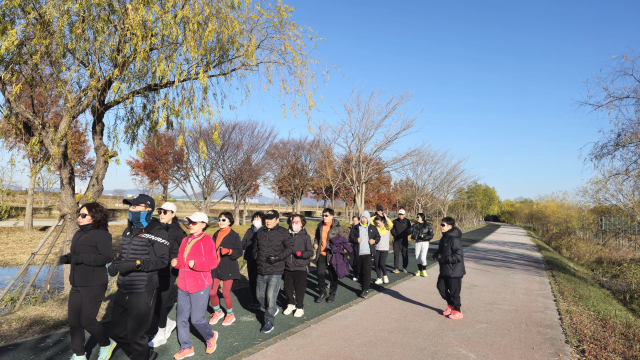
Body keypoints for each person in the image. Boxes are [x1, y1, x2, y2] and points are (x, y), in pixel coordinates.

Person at [108, 194, 169, 360]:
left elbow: (162, 261)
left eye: (135, 206)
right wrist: (115, 265)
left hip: (143, 289)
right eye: (130, 206)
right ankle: (146, 356)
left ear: (148, 209)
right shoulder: (128, 230)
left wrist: (135, 264)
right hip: (123, 287)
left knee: (136, 335)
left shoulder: (157, 232)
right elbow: (125, 255)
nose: (131, 208)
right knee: (116, 332)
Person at [60, 202, 115, 360]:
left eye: (84, 215)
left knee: (87, 320)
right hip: (77, 283)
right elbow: (77, 256)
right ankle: (79, 354)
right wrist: (68, 258)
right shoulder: (78, 233)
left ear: (95, 216)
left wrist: (80, 258)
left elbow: (107, 257)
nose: (79, 217)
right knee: (73, 321)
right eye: (79, 214)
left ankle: (106, 344)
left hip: (94, 284)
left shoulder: (102, 234)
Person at [171, 212, 219, 359]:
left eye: (194, 222)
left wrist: (197, 264)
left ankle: (210, 336)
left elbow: (213, 263)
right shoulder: (185, 240)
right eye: (190, 222)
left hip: (200, 285)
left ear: (203, 224)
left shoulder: (207, 240)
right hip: (183, 285)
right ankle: (186, 347)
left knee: (197, 319)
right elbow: (182, 260)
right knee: (181, 319)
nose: (191, 225)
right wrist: (177, 263)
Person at [148, 202, 185, 348]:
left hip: (169, 270)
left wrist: (178, 261)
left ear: (173, 214)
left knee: (160, 300)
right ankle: (168, 323)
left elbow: (186, 249)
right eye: (160, 212)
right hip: (154, 268)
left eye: (165, 212)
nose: (162, 214)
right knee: (152, 300)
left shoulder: (178, 231)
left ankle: (162, 333)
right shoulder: (156, 227)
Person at [252, 210, 293, 333]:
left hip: (276, 269)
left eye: (271, 218)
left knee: (271, 296)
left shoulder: (283, 233)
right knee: (259, 296)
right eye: (267, 218)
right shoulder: (260, 232)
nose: (268, 221)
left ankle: (269, 321)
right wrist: (254, 253)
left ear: (277, 220)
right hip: (261, 269)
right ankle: (272, 308)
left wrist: (279, 257)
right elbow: (256, 246)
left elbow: (290, 248)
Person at [209, 211, 243, 326]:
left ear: (230, 222)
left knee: (225, 293)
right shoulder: (216, 233)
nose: (220, 222)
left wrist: (229, 252)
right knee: (212, 292)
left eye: (223, 220)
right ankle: (218, 312)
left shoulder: (235, 236)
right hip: (215, 267)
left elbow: (239, 252)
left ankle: (230, 314)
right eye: (219, 219)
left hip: (228, 268)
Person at [313, 208, 349, 303]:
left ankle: (332, 294)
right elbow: (317, 237)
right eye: (323, 215)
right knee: (320, 274)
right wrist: (316, 243)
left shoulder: (338, 228)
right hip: (322, 255)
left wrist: (337, 247)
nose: (324, 217)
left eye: (326, 215)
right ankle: (323, 293)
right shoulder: (320, 226)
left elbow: (345, 240)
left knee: (333, 276)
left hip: (333, 256)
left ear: (332, 216)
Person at [433, 216, 465, 320]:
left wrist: (444, 258)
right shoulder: (444, 238)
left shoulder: (454, 239)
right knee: (440, 287)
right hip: (444, 269)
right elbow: (444, 252)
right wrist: (437, 254)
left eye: (443, 225)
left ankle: (458, 311)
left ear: (450, 226)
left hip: (454, 271)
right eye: (441, 224)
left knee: (454, 292)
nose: (441, 226)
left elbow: (459, 256)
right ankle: (451, 305)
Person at [283, 214, 313, 317]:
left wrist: (302, 254)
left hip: (300, 266)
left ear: (302, 224)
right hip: (287, 266)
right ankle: (291, 304)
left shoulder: (305, 236)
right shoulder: (286, 235)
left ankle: (300, 307)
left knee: (299, 288)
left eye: (297, 222)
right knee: (287, 288)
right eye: (293, 222)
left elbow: (310, 252)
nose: (294, 224)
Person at [348, 211, 380, 299]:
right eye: (362, 217)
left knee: (366, 272)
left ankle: (365, 290)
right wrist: (355, 239)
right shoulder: (355, 227)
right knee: (359, 272)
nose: (364, 219)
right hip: (358, 253)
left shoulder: (372, 228)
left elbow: (378, 237)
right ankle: (363, 287)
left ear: (368, 219)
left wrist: (374, 241)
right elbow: (350, 237)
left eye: (365, 218)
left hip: (369, 253)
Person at [241, 211, 265, 309]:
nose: (255, 221)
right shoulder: (249, 231)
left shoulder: (265, 231)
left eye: (258, 219)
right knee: (251, 281)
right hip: (250, 258)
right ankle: (255, 301)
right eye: (254, 219)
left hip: (261, 260)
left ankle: (262, 301)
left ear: (262, 221)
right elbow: (243, 243)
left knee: (259, 281)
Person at [373, 215, 393, 284]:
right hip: (376, 249)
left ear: (383, 221)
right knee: (376, 264)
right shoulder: (375, 228)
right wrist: (377, 215)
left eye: (379, 223)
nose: (378, 224)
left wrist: (386, 217)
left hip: (384, 249)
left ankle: (385, 276)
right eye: (376, 223)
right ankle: (379, 278)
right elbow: (370, 221)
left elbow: (391, 224)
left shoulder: (386, 227)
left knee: (382, 263)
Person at [390, 209, 411, 273]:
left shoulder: (407, 221)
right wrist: (395, 235)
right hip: (396, 241)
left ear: (404, 215)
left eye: (402, 214)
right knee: (396, 255)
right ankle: (396, 268)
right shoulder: (394, 221)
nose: (400, 215)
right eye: (399, 214)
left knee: (404, 255)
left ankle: (404, 267)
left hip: (404, 241)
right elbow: (392, 229)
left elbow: (410, 230)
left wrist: (405, 234)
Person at [347, 216, 360, 282]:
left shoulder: (360, 228)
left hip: (358, 246)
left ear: (359, 221)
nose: (354, 222)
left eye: (356, 220)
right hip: (351, 246)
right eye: (353, 220)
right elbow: (346, 237)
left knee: (357, 261)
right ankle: (356, 272)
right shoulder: (349, 228)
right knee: (351, 262)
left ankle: (356, 274)